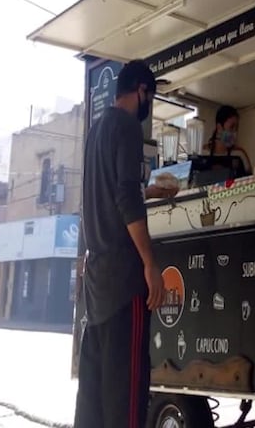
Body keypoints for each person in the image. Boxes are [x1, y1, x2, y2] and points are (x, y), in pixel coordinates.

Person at [74, 59, 178, 428]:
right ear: (142, 91)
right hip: (123, 284)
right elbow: (124, 198)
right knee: (127, 398)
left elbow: (95, 197)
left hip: (97, 285)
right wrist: (150, 264)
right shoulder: (128, 127)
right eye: (151, 96)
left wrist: (144, 190)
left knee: (94, 400)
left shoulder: (97, 129)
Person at [203, 105, 251, 174]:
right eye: (231, 127)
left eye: (236, 128)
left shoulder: (239, 154)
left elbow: (250, 179)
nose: (234, 133)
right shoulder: (203, 152)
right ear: (219, 128)